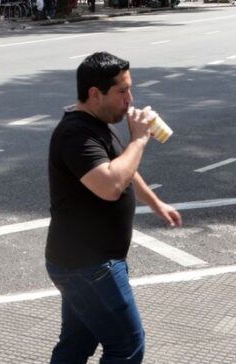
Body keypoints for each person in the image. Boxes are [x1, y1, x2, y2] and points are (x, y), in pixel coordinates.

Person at [45, 52, 181, 364]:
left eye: (130, 89)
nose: (130, 99)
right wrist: (140, 140)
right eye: (122, 91)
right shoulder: (76, 134)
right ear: (95, 94)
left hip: (82, 263)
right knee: (128, 346)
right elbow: (110, 185)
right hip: (89, 267)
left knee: (76, 344)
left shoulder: (99, 123)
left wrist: (155, 202)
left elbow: (123, 168)